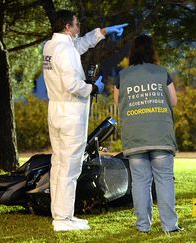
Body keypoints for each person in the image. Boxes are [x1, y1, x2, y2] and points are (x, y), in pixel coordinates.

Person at [43, 10, 127, 232]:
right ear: (68, 27)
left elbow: (79, 45)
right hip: (71, 114)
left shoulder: (51, 47)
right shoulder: (66, 50)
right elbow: (73, 85)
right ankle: (63, 219)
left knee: (58, 163)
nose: (78, 26)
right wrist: (93, 87)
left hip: (55, 111)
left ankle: (60, 214)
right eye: (76, 23)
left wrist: (102, 32)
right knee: (70, 166)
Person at [113, 35, 181, 233]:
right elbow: (174, 101)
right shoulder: (161, 73)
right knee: (164, 179)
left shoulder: (122, 76)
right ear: (152, 51)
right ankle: (170, 226)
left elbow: (118, 102)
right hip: (160, 134)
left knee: (140, 182)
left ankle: (143, 226)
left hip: (135, 136)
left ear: (132, 52)